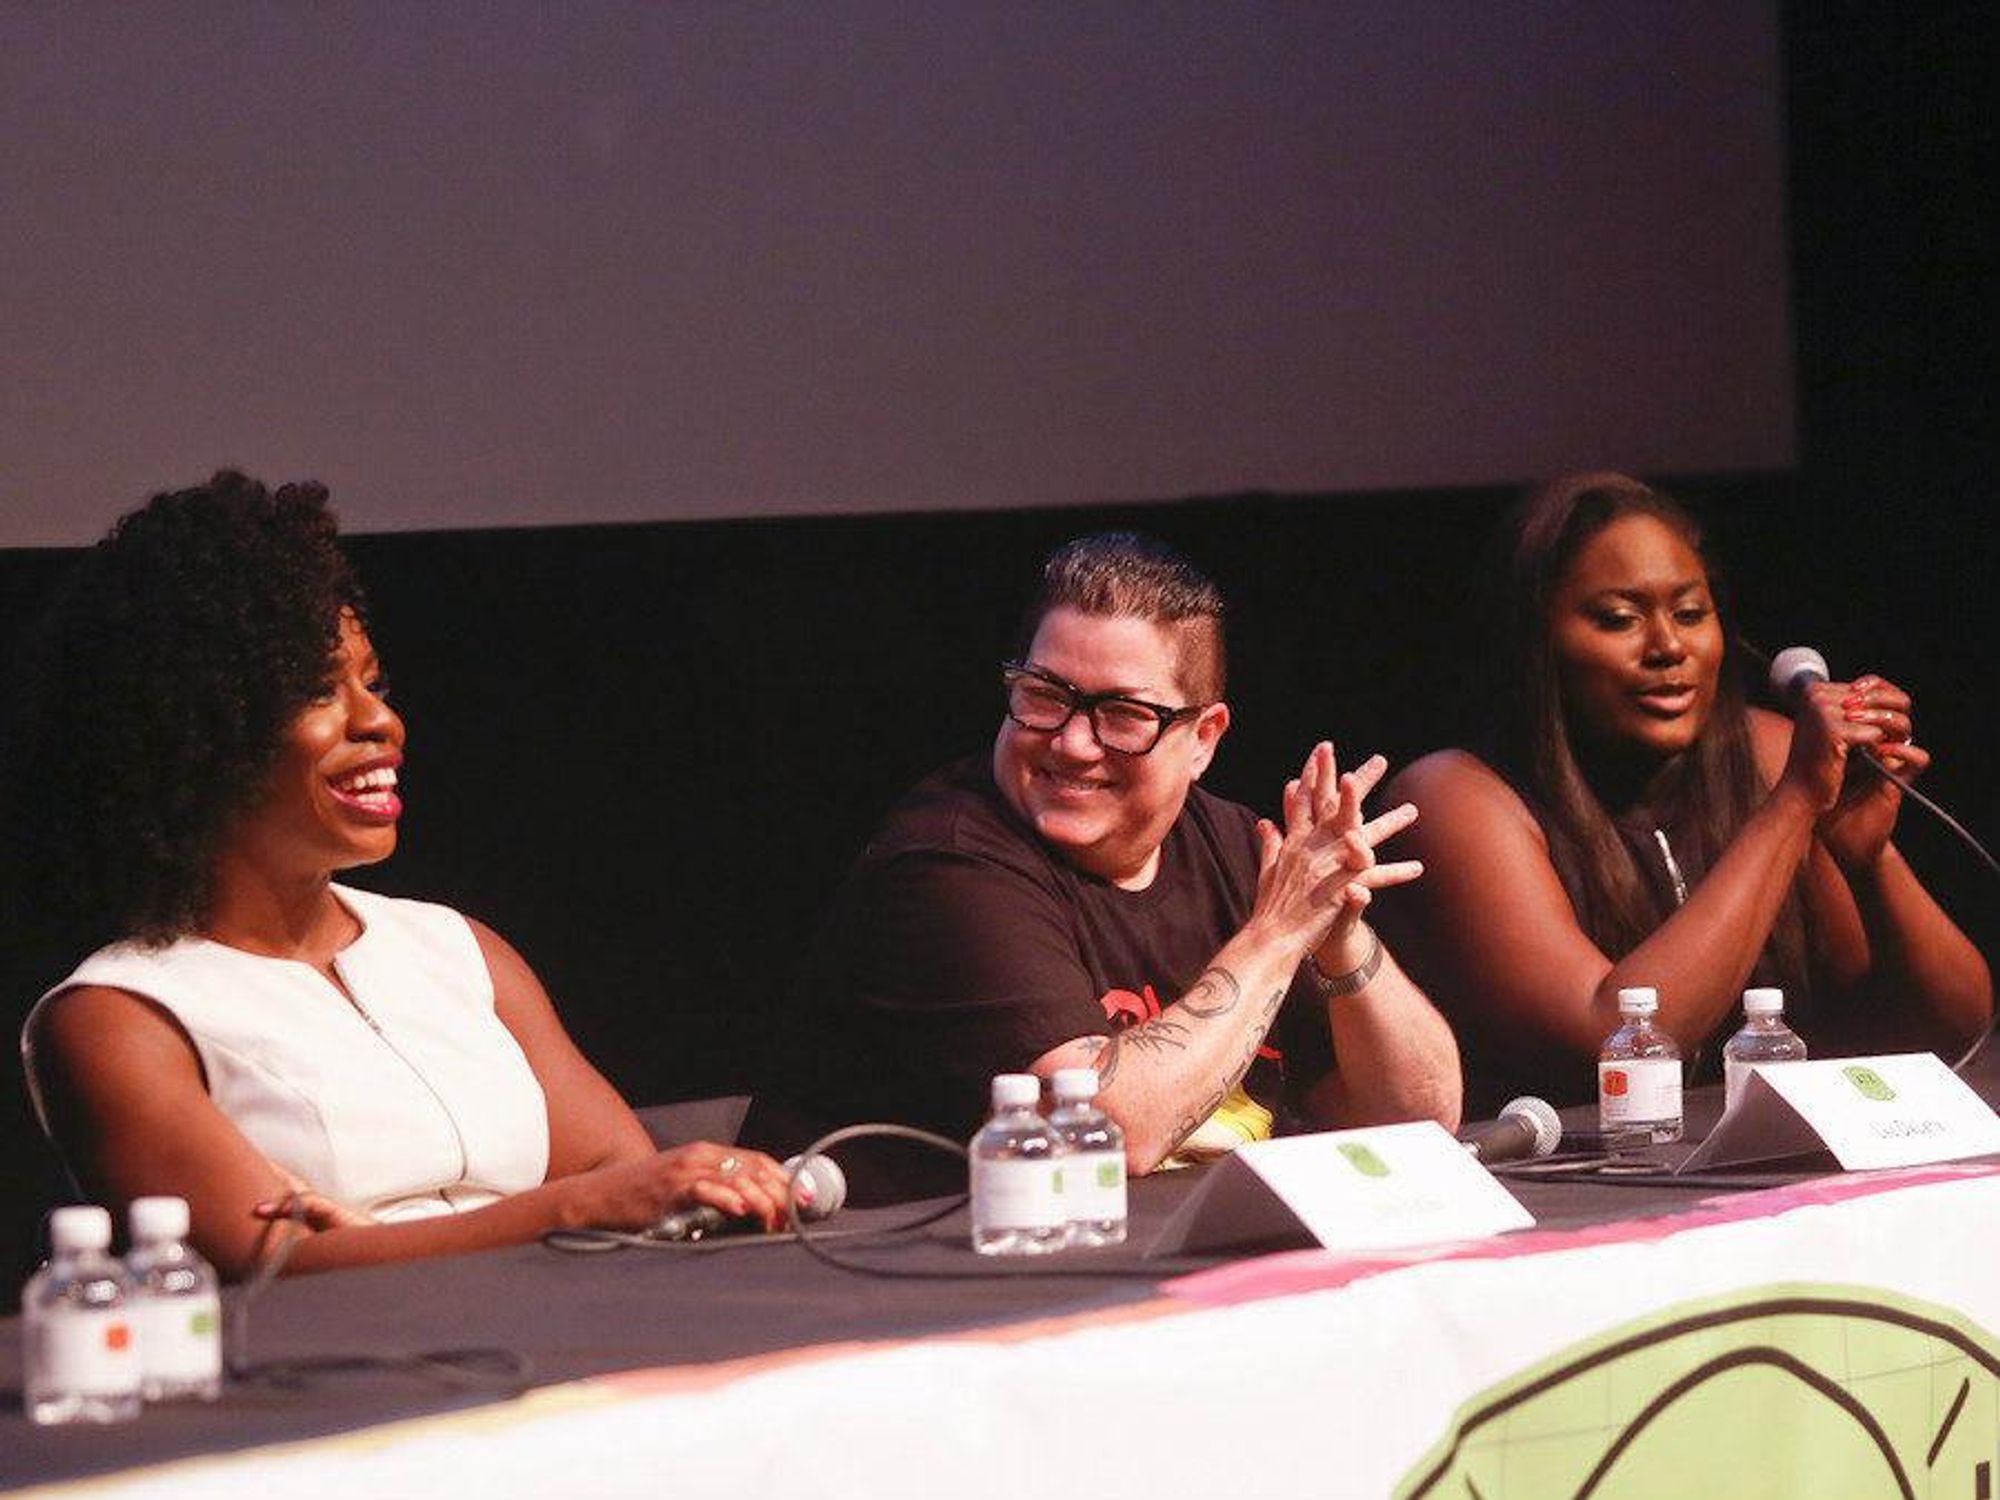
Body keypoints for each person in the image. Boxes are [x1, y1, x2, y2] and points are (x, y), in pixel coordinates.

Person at [8, 473, 793, 1278]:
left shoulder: (457, 950)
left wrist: (392, 1236)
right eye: (317, 691)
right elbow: (279, 1269)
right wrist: (564, 1209)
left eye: (373, 683)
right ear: (197, 734)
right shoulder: (120, 1019)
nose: (379, 720)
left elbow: (628, 1181)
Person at [747, 532, 1460, 1196]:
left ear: (1204, 738)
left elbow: (1420, 1121)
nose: (1073, 744)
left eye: (1121, 714)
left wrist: (1336, 933)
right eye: (1045, 697)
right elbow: (1108, 1135)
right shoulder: (945, 865)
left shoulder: (1239, 849)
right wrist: (1278, 934)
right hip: (903, 1296)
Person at [1377, 472, 1992, 1116]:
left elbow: (1954, 1028)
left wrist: (1870, 860)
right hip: (1564, 1197)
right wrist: (1791, 807)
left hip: (1766, 1178)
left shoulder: (1768, 754)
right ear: (1534, 642)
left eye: (1691, 613)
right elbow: (1612, 1048)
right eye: (1619, 619)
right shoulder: (1453, 799)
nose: (1669, 647)